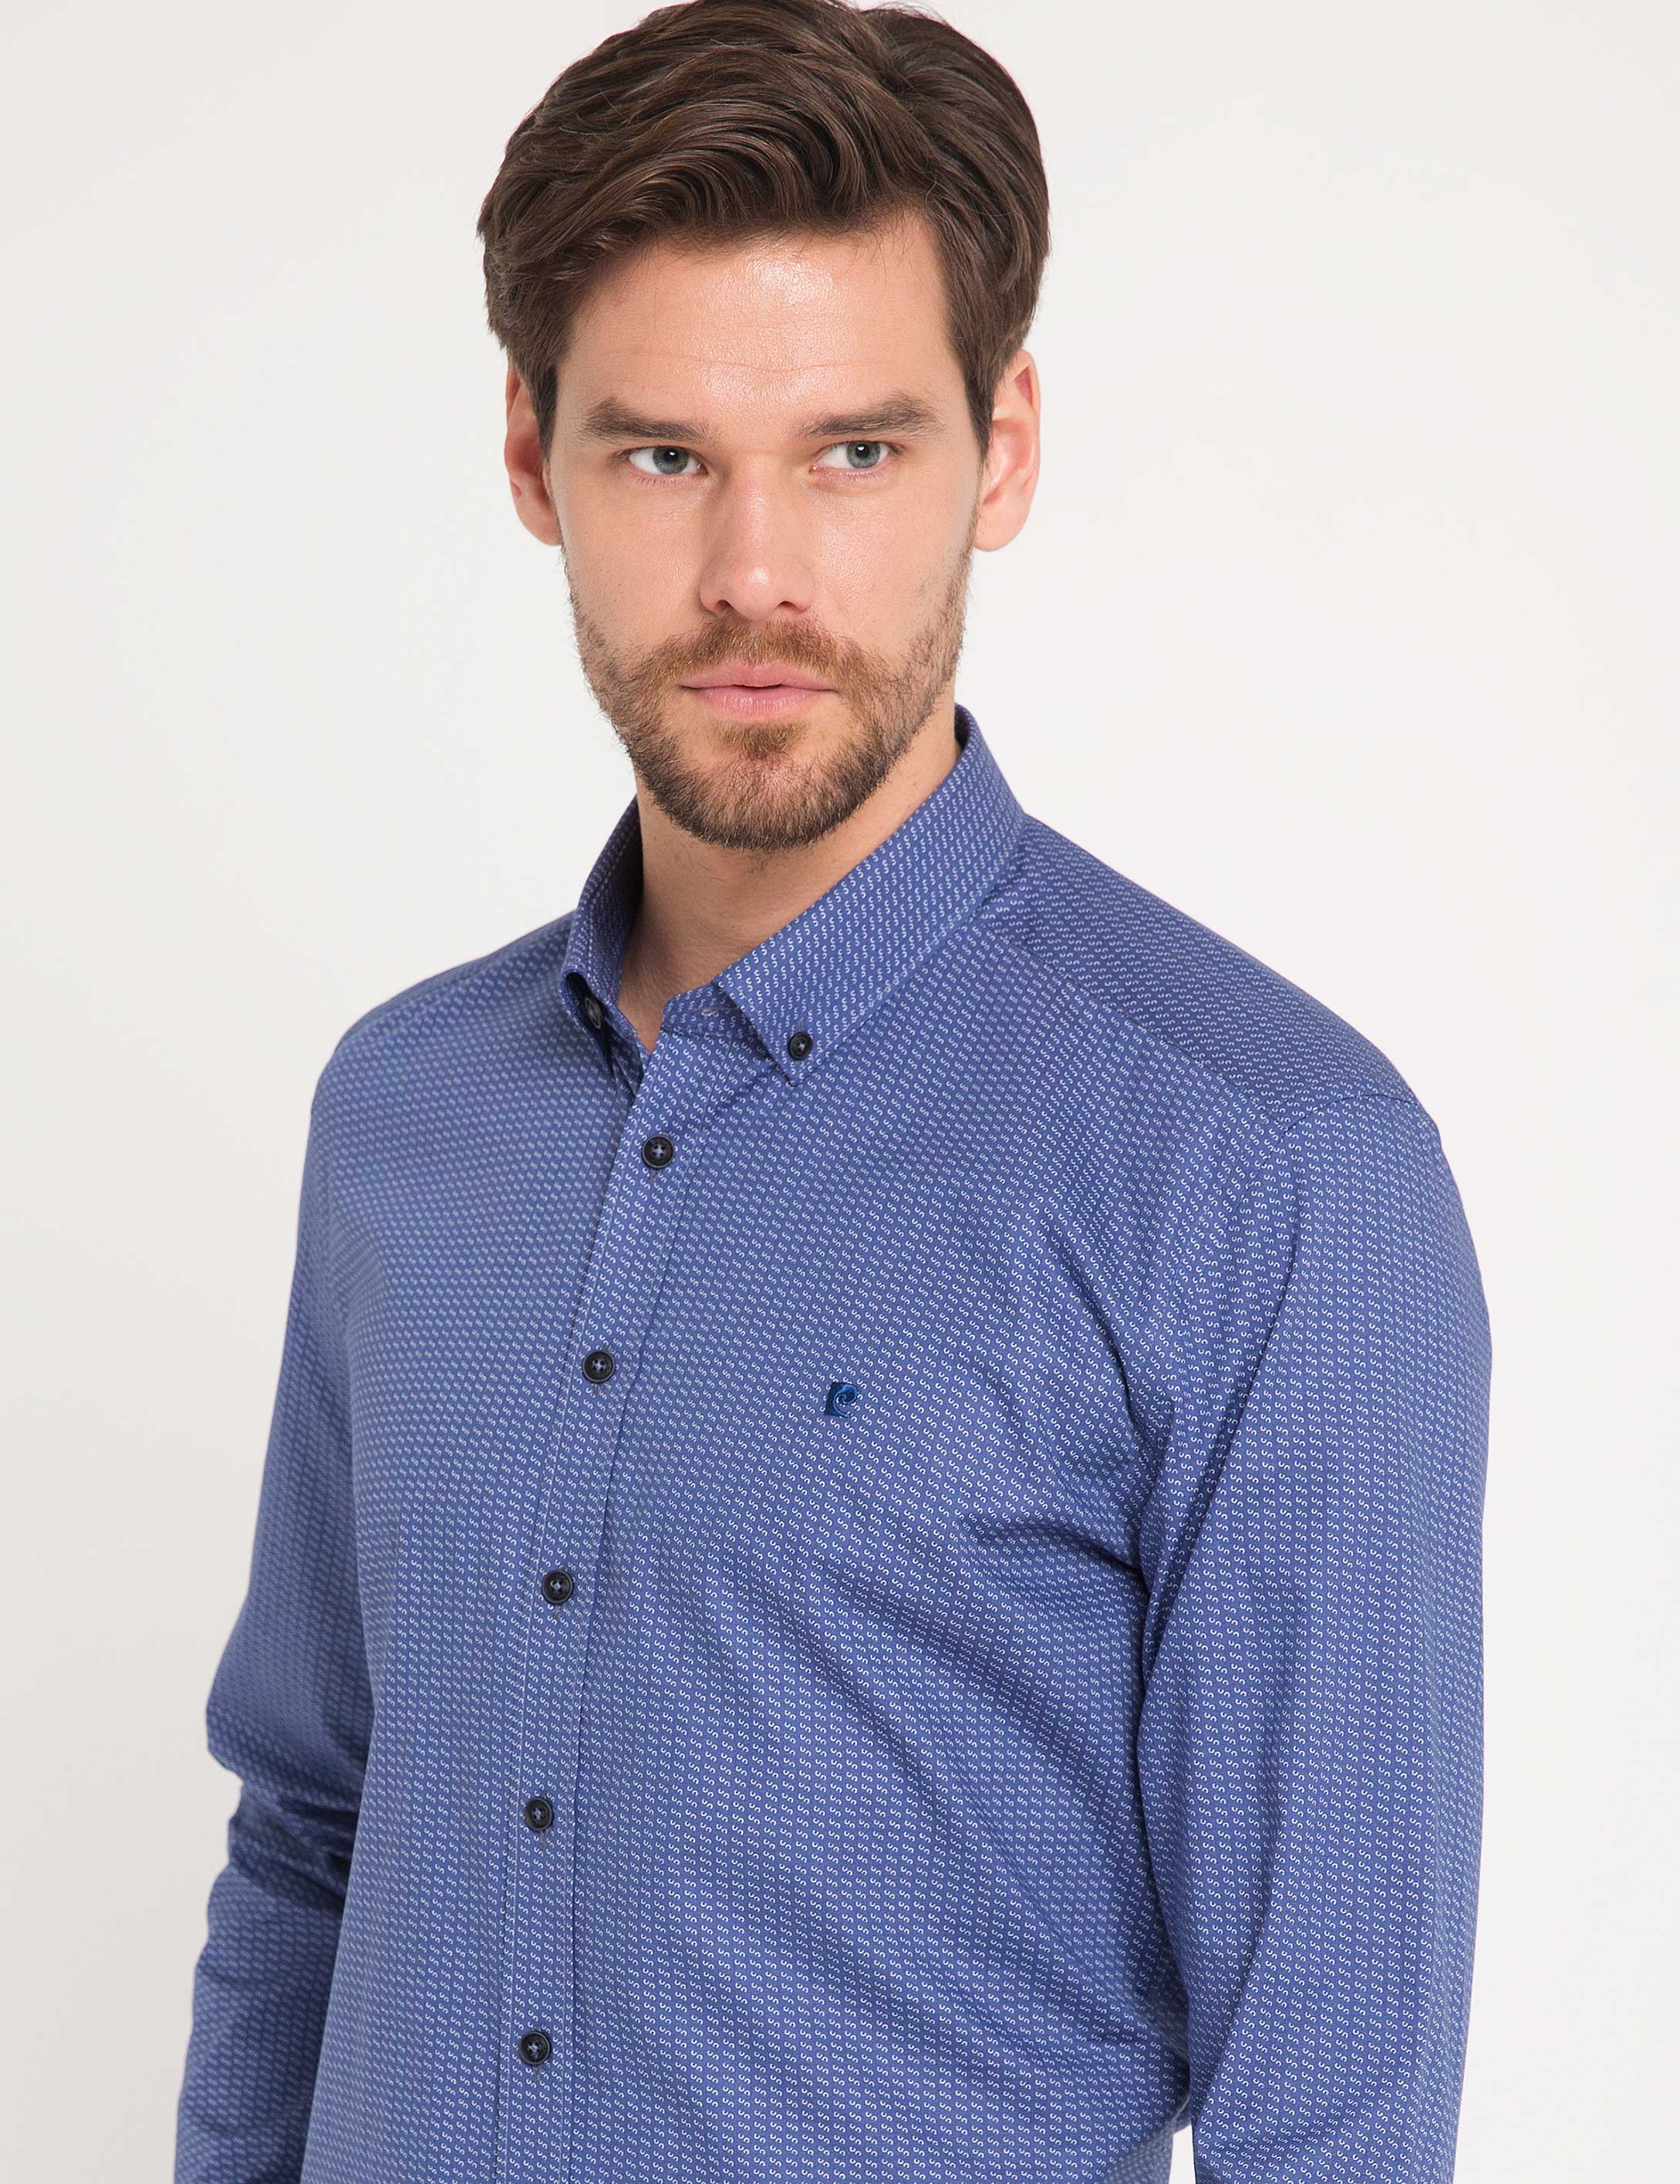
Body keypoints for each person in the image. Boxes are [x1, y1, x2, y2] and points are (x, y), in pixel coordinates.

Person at [174, 2, 1492, 2179]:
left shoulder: (1268, 1169)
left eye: (855, 453)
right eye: (662, 457)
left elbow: (1330, 2093)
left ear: (1005, 447)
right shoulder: (403, 1114)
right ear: (533, 461)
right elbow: (313, 1831)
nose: (754, 575)